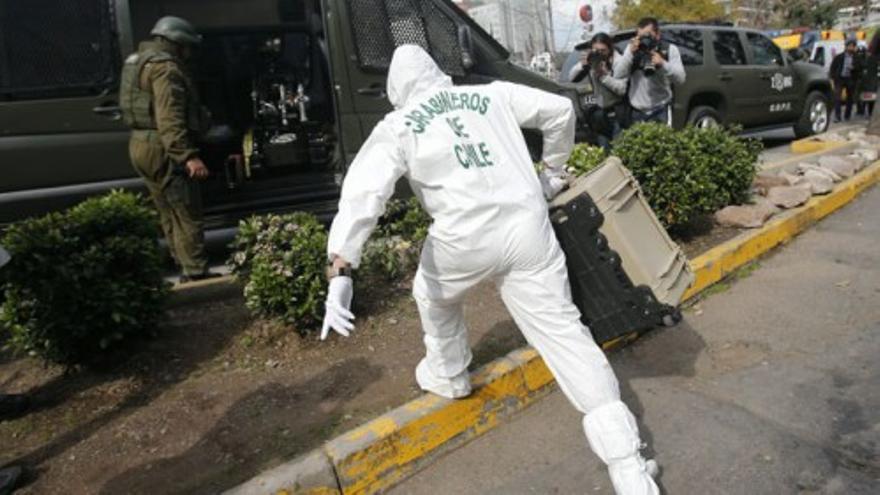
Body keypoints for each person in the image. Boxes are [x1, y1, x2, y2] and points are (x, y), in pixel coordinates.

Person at [320, 45, 660, 495]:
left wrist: (341, 268)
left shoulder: (398, 125)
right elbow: (560, 110)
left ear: (396, 89)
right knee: (566, 337)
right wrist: (553, 170)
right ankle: (629, 469)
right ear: (438, 73)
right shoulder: (492, 94)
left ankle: (449, 372)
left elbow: (364, 194)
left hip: (462, 240)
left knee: (432, 294)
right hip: (528, 231)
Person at [119, 16, 217, 283]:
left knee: (167, 210)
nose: (189, 53)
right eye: (187, 47)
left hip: (140, 143)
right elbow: (169, 117)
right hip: (162, 147)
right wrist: (187, 156)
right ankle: (196, 272)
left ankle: (182, 264)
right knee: (186, 210)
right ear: (175, 43)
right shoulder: (166, 69)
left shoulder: (137, 61)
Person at [613, 17, 685, 125]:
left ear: (658, 34)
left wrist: (662, 64)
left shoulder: (669, 49)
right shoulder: (632, 49)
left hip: (661, 109)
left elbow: (681, 79)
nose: (645, 40)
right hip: (637, 111)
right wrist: (630, 54)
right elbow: (617, 75)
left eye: (648, 35)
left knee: (663, 141)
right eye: (641, 37)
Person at [569, 33, 629, 150]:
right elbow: (571, 77)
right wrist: (583, 64)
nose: (599, 54)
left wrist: (603, 76)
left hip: (617, 114)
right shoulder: (592, 60)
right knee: (604, 152)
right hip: (601, 115)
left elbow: (622, 90)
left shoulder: (619, 62)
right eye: (595, 50)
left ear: (610, 48)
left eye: (603, 50)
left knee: (620, 152)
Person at [830, 39, 862, 123]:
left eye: (853, 46)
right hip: (840, 79)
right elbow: (833, 67)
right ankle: (837, 116)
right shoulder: (839, 56)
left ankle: (847, 115)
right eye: (849, 46)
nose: (851, 48)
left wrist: (854, 68)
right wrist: (833, 77)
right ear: (846, 46)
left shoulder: (857, 57)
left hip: (850, 79)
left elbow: (860, 68)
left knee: (850, 98)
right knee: (837, 97)